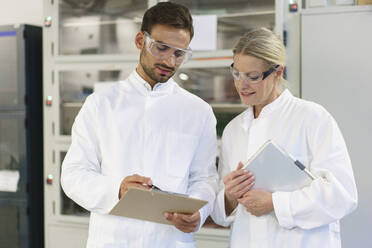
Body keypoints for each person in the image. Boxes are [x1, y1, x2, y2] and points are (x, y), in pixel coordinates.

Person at [61, 2, 218, 248]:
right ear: (139, 41)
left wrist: (198, 213)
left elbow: (205, 178)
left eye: (179, 53)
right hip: (113, 239)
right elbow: (73, 175)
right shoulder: (101, 104)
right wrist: (117, 190)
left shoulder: (199, 111)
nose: (170, 61)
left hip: (171, 240)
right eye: (161, 48)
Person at [211, 28, 358, 247]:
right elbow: (221, 214)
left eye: (253, 77)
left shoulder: (311, 117)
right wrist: (230, 196)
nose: (242, 84)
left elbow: (341, 195)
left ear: (278, 72)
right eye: (236, 73)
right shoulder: (234, 130)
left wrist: (274, 203)